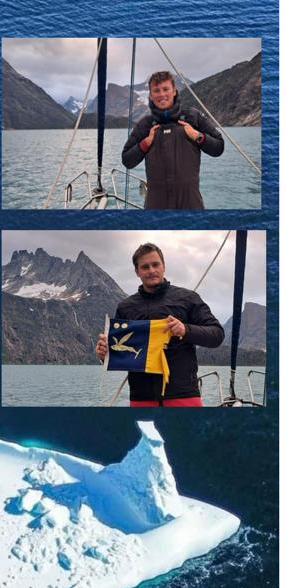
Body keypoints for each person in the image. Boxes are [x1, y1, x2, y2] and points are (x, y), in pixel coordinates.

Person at [95, 243, 224, 407]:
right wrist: (104, 354)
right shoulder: (125, 307)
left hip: (183, 395)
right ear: (137, 272)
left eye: (155, 264)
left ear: (163, 266)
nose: (151, 270)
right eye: (145, 267)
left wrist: (186, 330)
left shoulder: (188, 298)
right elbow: (121, 351)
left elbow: (217, 335)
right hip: (141, 398)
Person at [121, 71, 224, 209]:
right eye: (156, 91)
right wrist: (145, 143)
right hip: (156, 204)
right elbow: (127, 160)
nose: (162, 94)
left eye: (165, 89)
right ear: (151, 95)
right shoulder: (145, 125)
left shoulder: (193, 116)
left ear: (174, 91)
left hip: (190, 203)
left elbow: (218, 147)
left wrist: (197, 136)